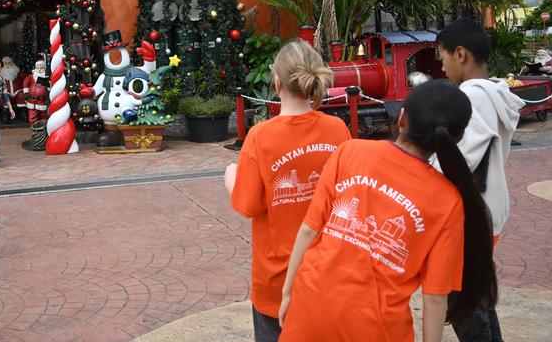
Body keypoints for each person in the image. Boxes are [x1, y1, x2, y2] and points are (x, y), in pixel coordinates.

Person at [278, 80, 498, 342]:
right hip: (377, 328)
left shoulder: (350, 151)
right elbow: (435, 297)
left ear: (401, 117)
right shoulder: (449, 200)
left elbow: (308, 229)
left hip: (310, 308)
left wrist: (288, 293)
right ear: (458, 138)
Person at [224, 40, 350, 342]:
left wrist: (231, 177)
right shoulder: (337, 130)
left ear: (276, 81)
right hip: (328, 273)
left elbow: (249, 205)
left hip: (277, 279)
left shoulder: (260, 136)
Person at [435, 19, 524, 341]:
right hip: (489, 209)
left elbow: (457, 159)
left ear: (461, 55)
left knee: (465, 306)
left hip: (469, 217)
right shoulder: (494, 93)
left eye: (442, 58)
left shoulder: (470, 98)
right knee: (479, 297)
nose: (441, 67)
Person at [0, 55, 27, 122]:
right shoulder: (1, 74)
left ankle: (24, 114)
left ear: (12, 63)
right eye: (5, 63)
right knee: (4, 98)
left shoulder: (18, 72)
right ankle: (5, 116)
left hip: (18, 91)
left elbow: (25, 80)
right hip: (7, 92)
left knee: (21, 96)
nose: (7, 65)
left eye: (9, 63)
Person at [23, 59, 50, 123]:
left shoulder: (47, 77)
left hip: (42, 101)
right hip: (32, 101)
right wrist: (26, 93)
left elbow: (50, 86)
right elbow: (25, 82)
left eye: (41, 68)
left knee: (44, 116)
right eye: (38, 68)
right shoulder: (31, 77)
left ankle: (44, 129)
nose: (39, 69)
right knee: (32, 117)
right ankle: (34, 130)